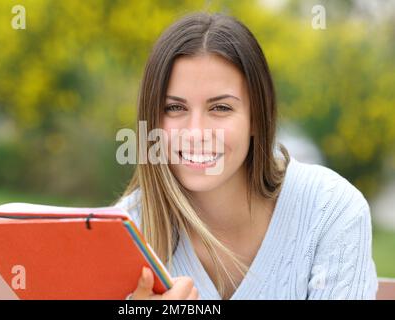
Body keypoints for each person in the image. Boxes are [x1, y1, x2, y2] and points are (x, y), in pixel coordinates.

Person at [115, 12, 378, 300]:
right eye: (175, 108)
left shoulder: (330, 210)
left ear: (256, 118)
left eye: (221, 108)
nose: (195, 133)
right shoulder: (124, 233)